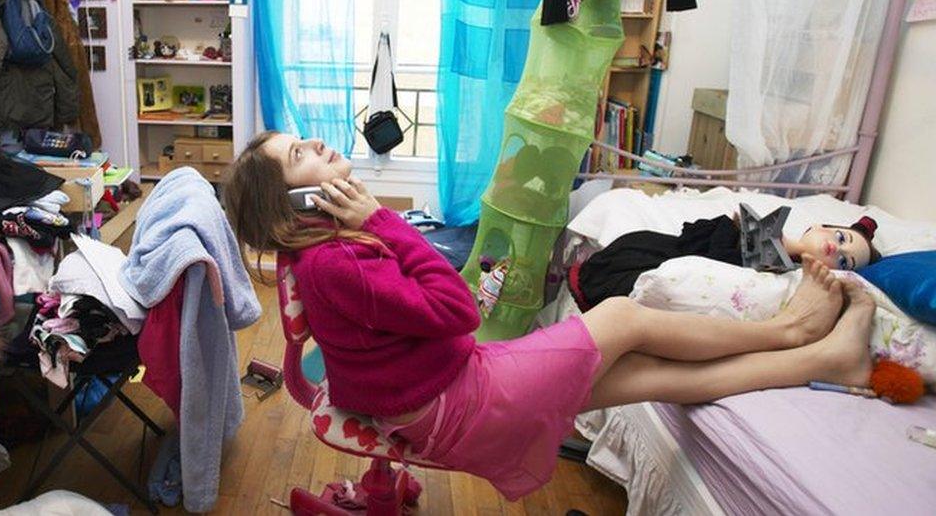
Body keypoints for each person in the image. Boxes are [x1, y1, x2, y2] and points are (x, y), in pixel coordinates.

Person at [223, 132, 876, 501]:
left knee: (645, 373)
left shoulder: (320, 252)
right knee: (625, 317)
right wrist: (382, 219)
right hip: (457, 399)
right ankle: (791, 330)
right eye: (297, 154)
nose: (313, 140)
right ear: (296, 200)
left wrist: (372, 226)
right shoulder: (336, 260)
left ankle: (823, 357)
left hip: (443, 394)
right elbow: (454, 311)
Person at [570, 213, 882, 310]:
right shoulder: (766, 228)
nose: (834, 248)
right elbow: (694, 234)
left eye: (845, 261)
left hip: (668, 272)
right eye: (841, 238)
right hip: (649, 250)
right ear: (817, 226)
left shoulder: (788, 278)